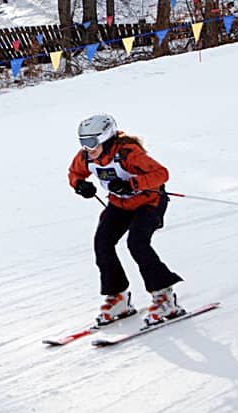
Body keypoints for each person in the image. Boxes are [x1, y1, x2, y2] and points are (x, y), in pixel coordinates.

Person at [68, 114, 185, 327]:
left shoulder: (128, 153)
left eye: (91, 142)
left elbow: (161, 174)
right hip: (120, 205)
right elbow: (75, 173)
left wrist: (132, 184)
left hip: (148, 203)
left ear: (105, 138)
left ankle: (164, 296)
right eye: (83, 142)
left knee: (137, 243)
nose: (87, 148)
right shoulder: (86, 157)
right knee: (102, 243)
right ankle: (117, 298)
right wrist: (80, 185)